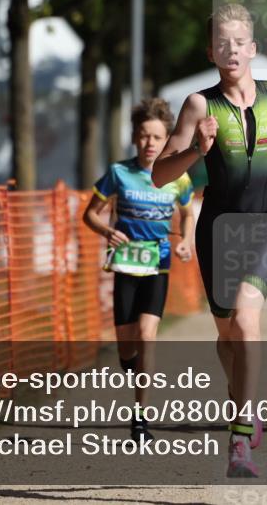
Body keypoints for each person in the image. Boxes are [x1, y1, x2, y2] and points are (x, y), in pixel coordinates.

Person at [152, 3, 267, 478]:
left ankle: (240, 436)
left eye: (238, 42)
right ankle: (246, 405)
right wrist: (194, 150)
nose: (231, 50)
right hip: (218, 229)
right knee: (226, 334)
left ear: (253, 48)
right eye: (221, 42)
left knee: (247, 323)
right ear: (211, 51)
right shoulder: (198, 105)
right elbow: (161, 174)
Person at [83, 98, 195, 443]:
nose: (150, 143)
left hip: (158, 265)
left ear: (167, 141)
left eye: (157, 137)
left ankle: (141, 419)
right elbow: (90, 214)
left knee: (147, 336)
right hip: (125, 266)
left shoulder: (177, 177)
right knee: (127, 348)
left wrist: (186, 241)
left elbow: (189, 213)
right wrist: (106, 231)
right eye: (144, 136)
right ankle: (131, 364)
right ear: (135, 138)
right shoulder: (119, 173)